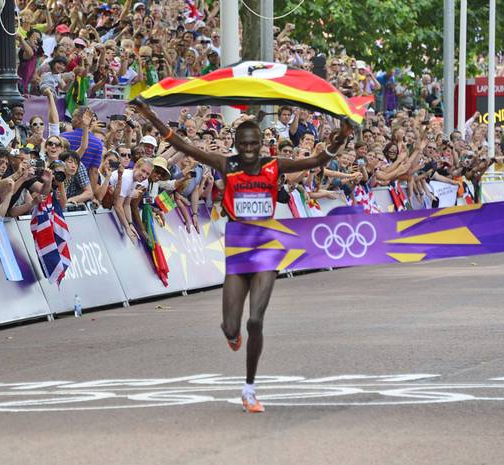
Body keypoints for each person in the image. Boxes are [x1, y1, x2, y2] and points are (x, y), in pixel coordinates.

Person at [132, 97, 353, 413]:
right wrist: (150, 115)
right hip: (237, 246)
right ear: (236, 144)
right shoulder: (226, 164)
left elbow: (316, 161)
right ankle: (231, 334)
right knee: (232, 327)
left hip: (265, 246)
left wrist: (341, 136)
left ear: (261, 144)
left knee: (255, 321)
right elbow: (181, 143)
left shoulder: (274, 165)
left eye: (254, 143)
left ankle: (249, 389)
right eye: (244, 144)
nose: (249, 148)